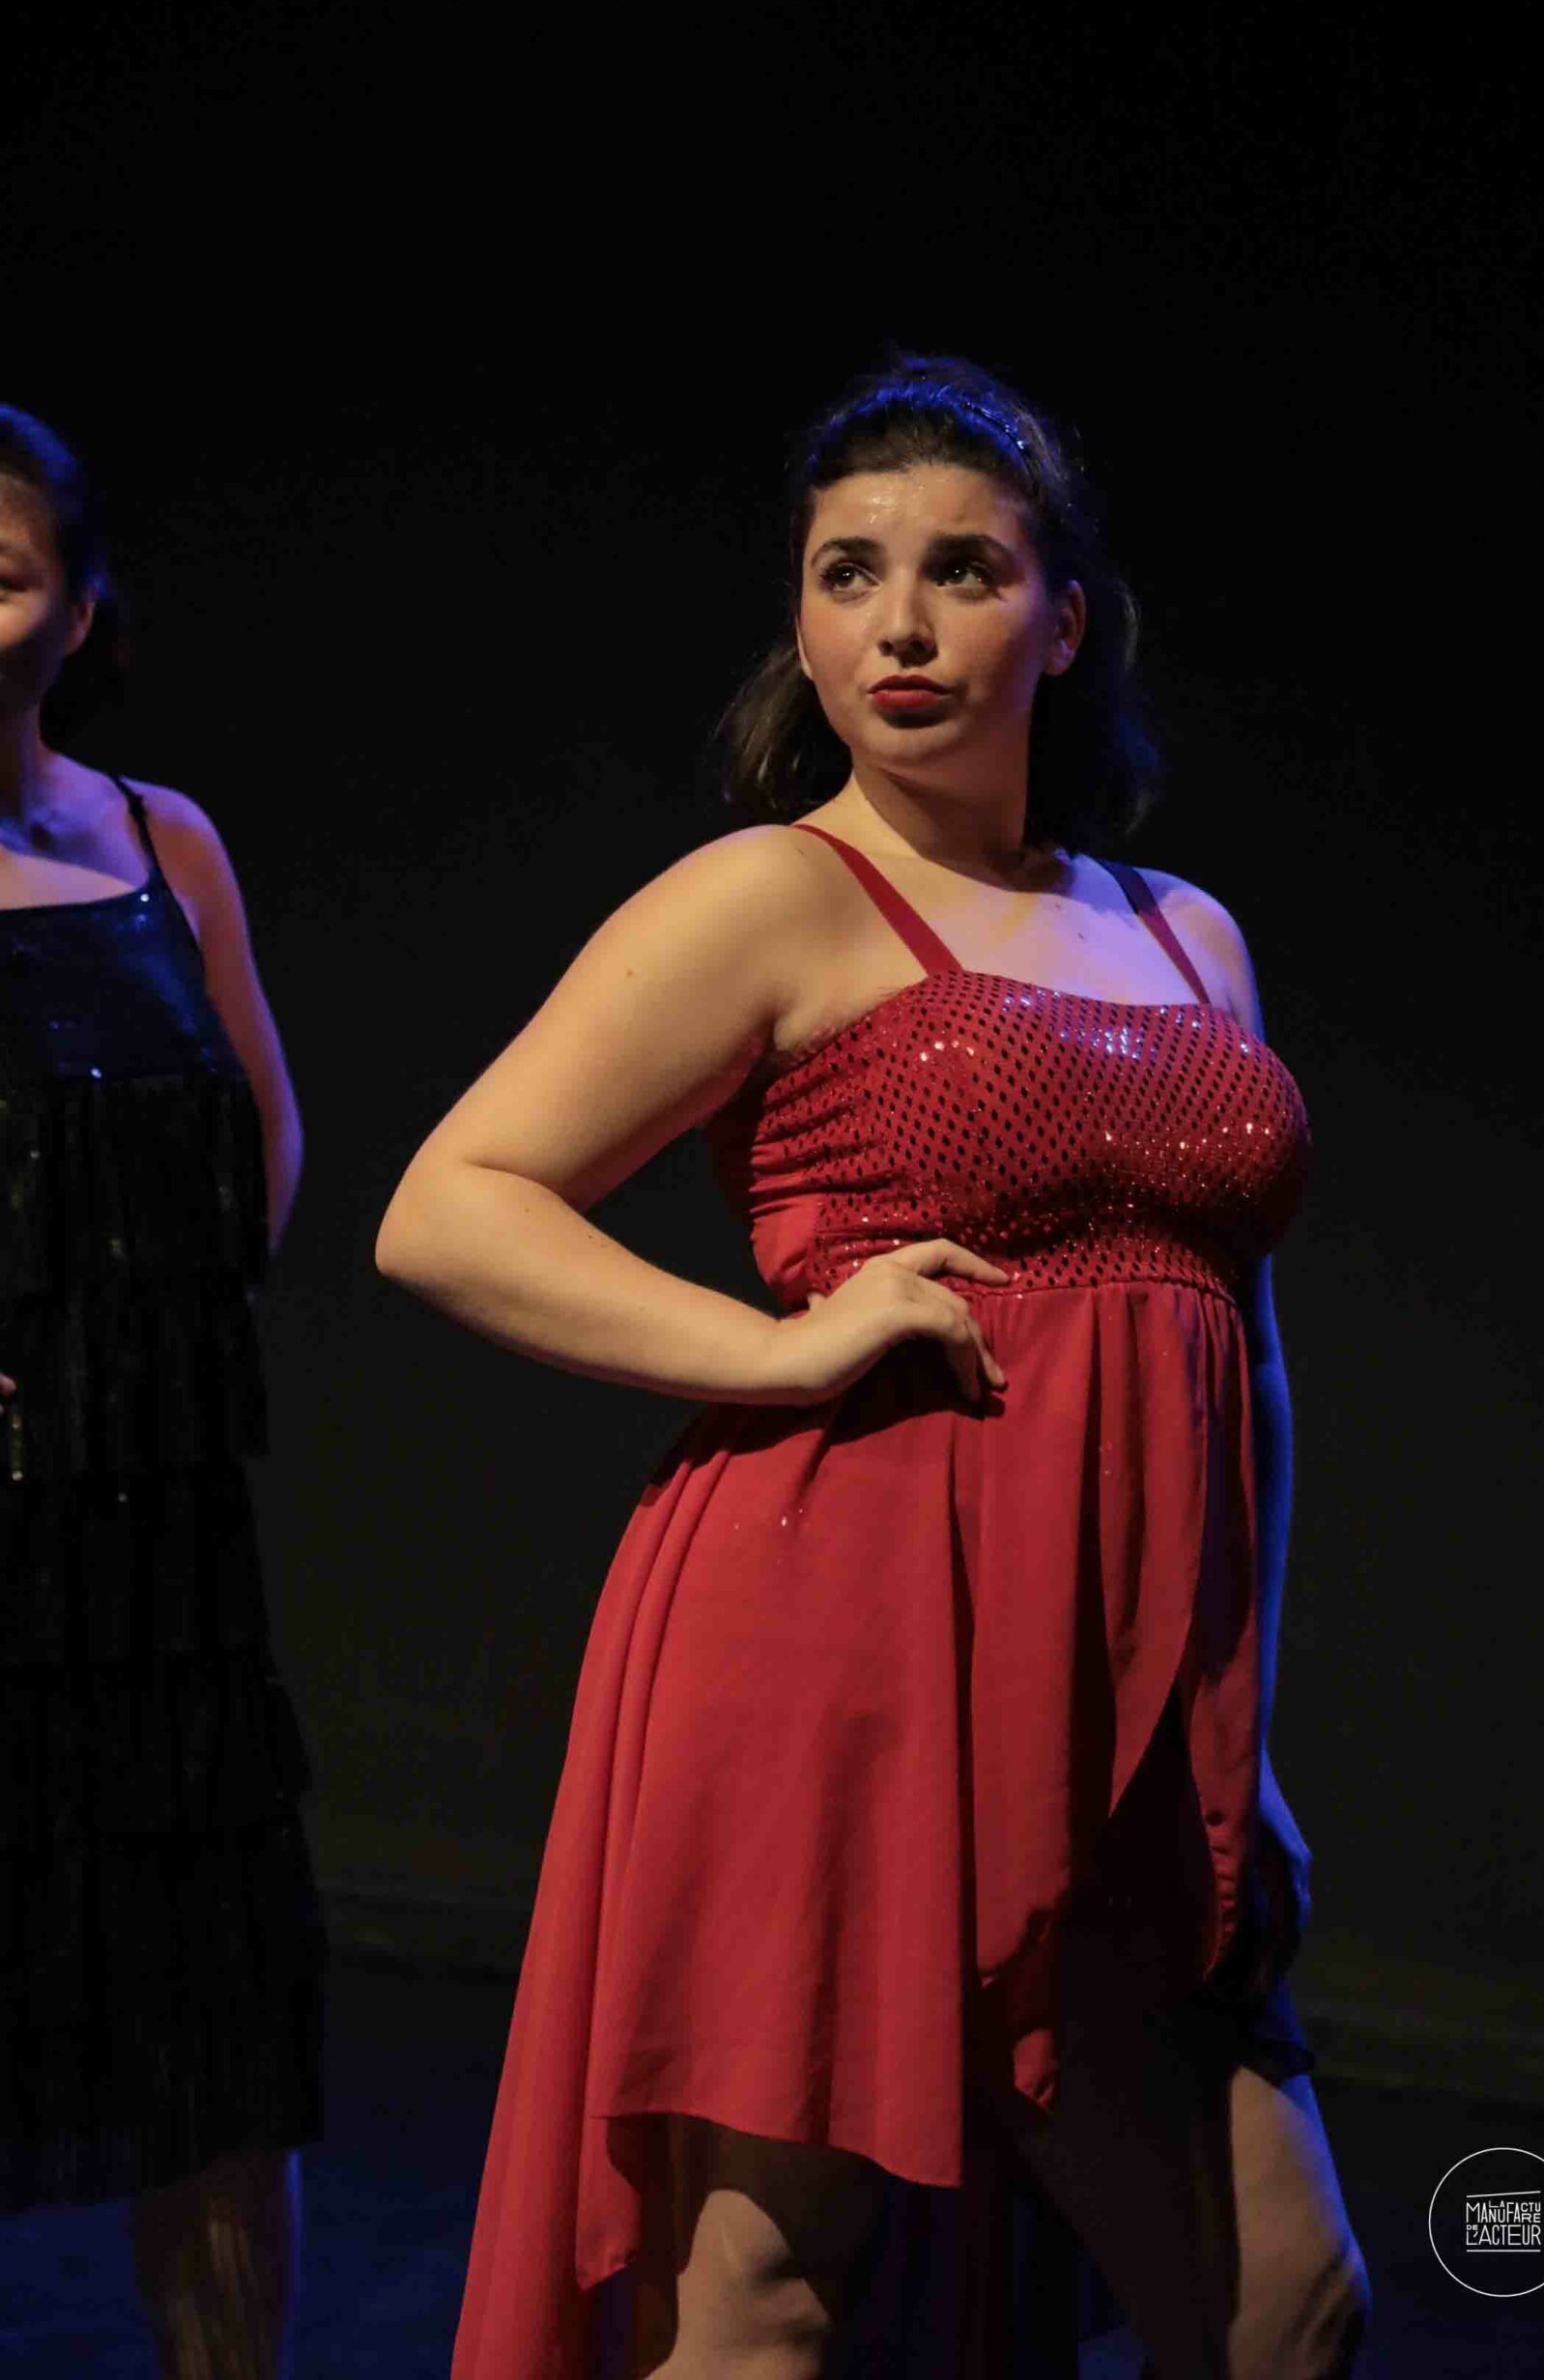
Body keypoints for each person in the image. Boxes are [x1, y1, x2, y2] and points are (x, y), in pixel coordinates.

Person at [377, 353, 1372, 2379]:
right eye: (848, 574)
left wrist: (1243, 1728)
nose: (900, 624)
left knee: (1284, 2304)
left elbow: (1243, 1352)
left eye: (962, 571)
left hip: (1126, 1690)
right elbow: (448, 1204)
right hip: (838, 1643)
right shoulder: (774, 891)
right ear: (803, 624)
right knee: (767, 2293)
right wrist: (778, 1343)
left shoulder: (1187, 933)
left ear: (1064, 621)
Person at [0, 407, 323, 2380]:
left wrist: (141, 1361)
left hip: (154, 1556)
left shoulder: (157, 838)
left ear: (83, 608)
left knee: (208, 2037)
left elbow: (263, 1137)